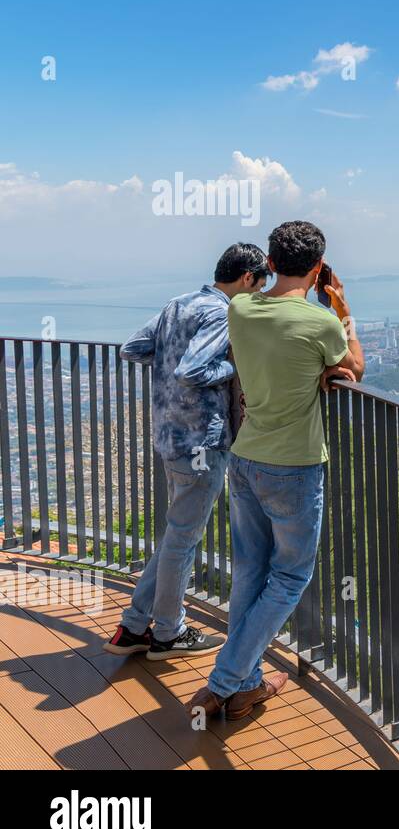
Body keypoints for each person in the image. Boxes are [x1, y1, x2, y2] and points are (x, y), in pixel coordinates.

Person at [189, 220, 364, 720]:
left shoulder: (242, 308)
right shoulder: (322, 322)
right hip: (294, 466)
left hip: (245, 460)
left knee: (250, 570)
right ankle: (225, 680)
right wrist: (343, 309)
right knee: (289, 576)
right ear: (317, 270)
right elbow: (354, 367)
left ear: (268, 264)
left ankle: (247, 684)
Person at [104, 243, 268, 660]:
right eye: (258, 286)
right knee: (183, 540)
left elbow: (133, 348)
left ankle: (135, 626)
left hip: (169, 435)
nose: (257, 297)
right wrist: (237, 366)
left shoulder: (180, 303)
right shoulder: (220, 312)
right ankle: (169, 634)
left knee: (177, 534)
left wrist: (171, 366)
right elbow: (193, 370)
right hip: (201, 440)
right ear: (248, 278)